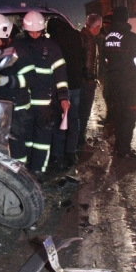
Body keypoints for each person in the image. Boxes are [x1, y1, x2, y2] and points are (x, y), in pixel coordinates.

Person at [14, 11, 70, 177]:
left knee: (42, 140)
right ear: (24, 30)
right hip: (24, 103)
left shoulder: (52, 47)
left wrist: (63, 97)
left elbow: (61, 73)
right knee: (27, 139)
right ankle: (25, 172)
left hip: (45, 103)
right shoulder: (18, 46)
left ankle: (39, 171)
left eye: (38, 32)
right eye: (31, 32)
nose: (34, 35)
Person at [102, 6, 136, 160]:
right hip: (128, 84)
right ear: (126, 19)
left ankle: (119, 147)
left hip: (112, 82)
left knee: (117, 115)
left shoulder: (108, 38)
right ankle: (124, 150)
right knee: (129, 116)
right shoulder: (132, 38)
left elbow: (105, 60)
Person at [0, 14, 32, 163]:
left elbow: (31, 78)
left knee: (16, 143)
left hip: (18, 106)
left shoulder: (20, 51)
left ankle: (20, 176)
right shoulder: (4, 50)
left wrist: (8, 81)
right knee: (4, 142)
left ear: (5, 35)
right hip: (5, 104)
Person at [47, 17, 83, 169]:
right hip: (76, 84)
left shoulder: (54, 41)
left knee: (59, 120)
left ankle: (57, 155)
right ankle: (71, 151)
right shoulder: (76, 36)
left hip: (61, 86)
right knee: (73, 120)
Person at [77, 14, 102, 151]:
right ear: (97, 27)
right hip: (86, 82)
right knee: (84, 113)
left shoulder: (80, 35)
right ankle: (80, 142)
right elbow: (89, 62)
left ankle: (78, 140)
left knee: (78, 112)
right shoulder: (90, 39)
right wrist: (91, 78)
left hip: (79, 80)